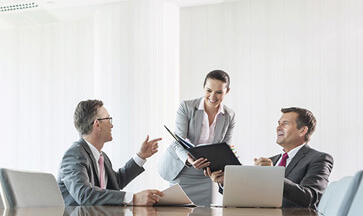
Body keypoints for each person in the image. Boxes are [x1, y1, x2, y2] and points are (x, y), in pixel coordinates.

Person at [206, 107, 333, 208]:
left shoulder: (319, 159)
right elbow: (252, 196)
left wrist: (273, 175)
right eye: (278, 123)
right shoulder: (272, 160)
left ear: (302, 131)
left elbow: (310, 198)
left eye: (285, 123)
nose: (278, 127)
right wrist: (226, 182)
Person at [58, 99, 164, 206]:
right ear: (97, 124)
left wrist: (140, 156)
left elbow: (115, 183)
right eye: (109, 119)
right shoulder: (74, 155)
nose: (112, 125)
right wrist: (133, 198)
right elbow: (84, 194)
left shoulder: (102, 157)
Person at [158, 70, 236, 206]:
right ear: (203, 87)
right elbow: (178, 141)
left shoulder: (229, 116)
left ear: (227, 91)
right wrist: (189, 159)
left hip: (206, 175)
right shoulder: (186, 107)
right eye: (209, 90)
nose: (213, 96)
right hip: (181, 169)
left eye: (219, 92)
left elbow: (225, 149)